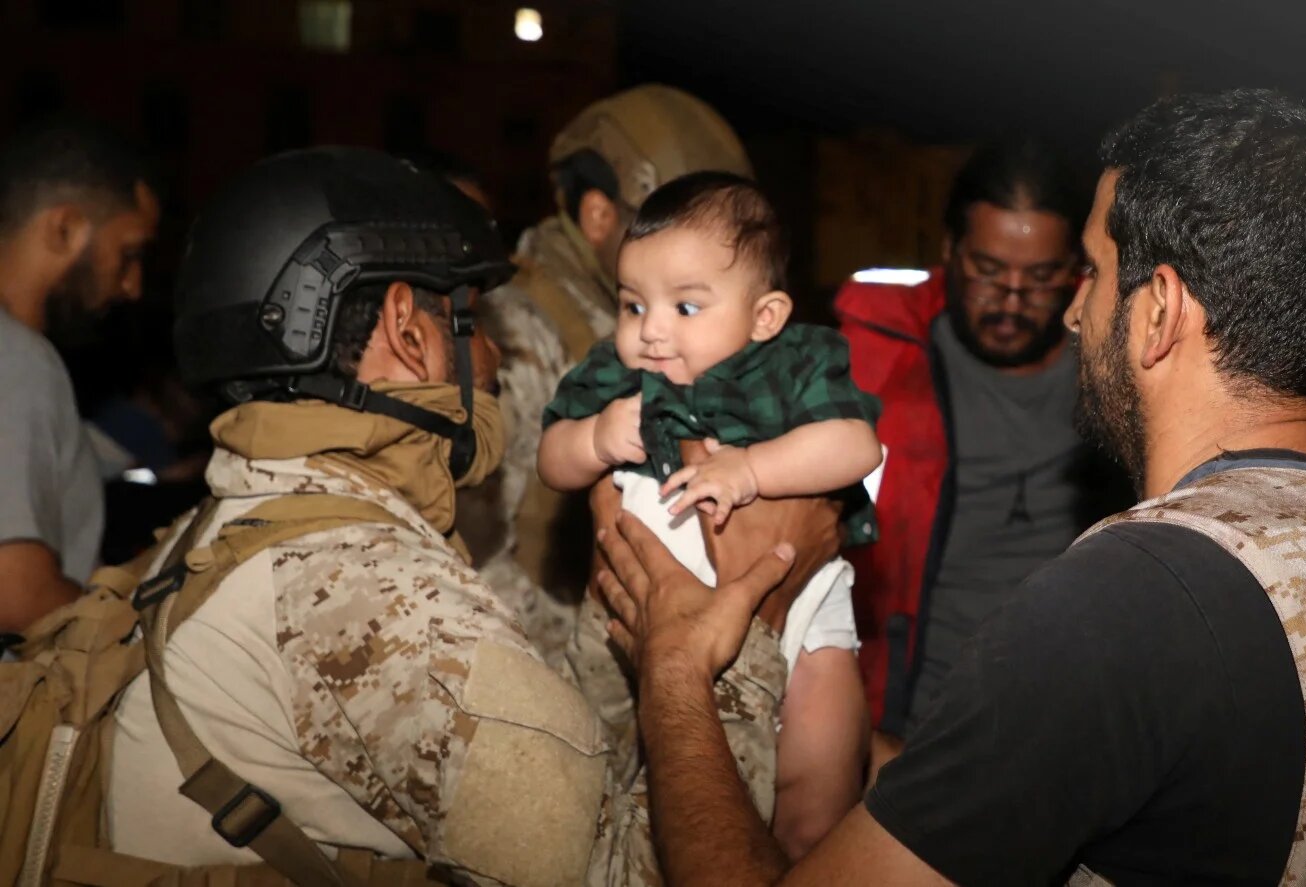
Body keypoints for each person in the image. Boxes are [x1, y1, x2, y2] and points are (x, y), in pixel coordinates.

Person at [596, 88, 1306, 885]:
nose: (1070, 314)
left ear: (1158, 314)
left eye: (1094, 274)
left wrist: (677, 672)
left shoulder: (1131, 598)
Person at [98, 147, 824, 885]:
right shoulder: (378, 602)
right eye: (470, 317)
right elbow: (625, 875)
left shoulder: (255, 516)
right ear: (408, 331)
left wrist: (628, 601)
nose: (495, 352)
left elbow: (565, 766)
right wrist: (750, 620)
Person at [538, 172, 879, 857]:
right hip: (637, 616)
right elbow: (551, 460)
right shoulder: (615, 377)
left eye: (685, 309)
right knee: (608, 770)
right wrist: (595, 438)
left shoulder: (793, 363)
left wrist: (750, 470)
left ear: (765, 317)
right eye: (633, 305)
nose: (652, 332)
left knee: (817, 780)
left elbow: (854, 444)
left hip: (799, 605)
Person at [834, 138, 1128, 739]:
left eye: (1042, 277)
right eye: (989, 271)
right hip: (900, 725)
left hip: (1066, 730)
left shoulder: (1117, 376)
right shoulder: (875, 364)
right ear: (949, 253)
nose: (1012, 300)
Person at [458, 84, 754, 667]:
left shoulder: (679, 319)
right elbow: (470, 552)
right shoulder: (515, 332)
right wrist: (584, 666)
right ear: (599, 216)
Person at [0, 117, 160, 636]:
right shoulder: (18, 357)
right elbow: (17, 593)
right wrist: (136, 643)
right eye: (129, 254)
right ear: (65, 228)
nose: (133, 286)